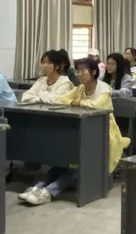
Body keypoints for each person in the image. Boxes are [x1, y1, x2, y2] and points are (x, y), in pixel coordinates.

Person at [19, 57, 130, 206]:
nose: (79, 74)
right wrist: (74, 102)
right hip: (84, 131)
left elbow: (96, 105)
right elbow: (60, 100)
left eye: (83, 71)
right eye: (77, 71)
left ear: (94, 72)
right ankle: (40, 187)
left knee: (80, 162)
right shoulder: (79, 89)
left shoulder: (103, 88)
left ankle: (50, 191)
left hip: (105, 135)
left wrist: (79, 103)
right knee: (67, 157)